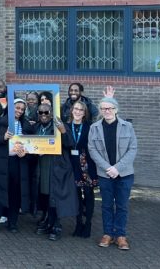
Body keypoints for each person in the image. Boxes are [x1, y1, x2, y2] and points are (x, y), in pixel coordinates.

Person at [89, 88, 137, 251]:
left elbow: (133, 148)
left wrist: (117, 168)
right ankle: (108, 234)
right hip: (105, 174)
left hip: (124, 174)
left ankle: (121, 235)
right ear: (101, 111)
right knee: (107, 205)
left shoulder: (127, 126)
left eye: (109, 108)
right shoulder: (94, 127)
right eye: (103, 108)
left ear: (116, 109)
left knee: (122, 205)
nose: (107, 111)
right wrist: (108, 168)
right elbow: (92, 150)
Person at [0, 98, 33, 233]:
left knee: (15, 194)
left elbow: (32, 145)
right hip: (1, 163)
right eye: (17, 108)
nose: (19, 111)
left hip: (18, 163)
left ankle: (13, 223)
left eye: (22, 109)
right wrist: (3, 137)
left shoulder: (26, 125)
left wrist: (26, 153)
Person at [34, 103, 77, 241]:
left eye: (46, 112)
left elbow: (70, 143)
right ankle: (48, 221)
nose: (44, 115)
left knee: (55, 196)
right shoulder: (37, 127)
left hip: (57, 166)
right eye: (41, 113)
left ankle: (56, 225)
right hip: (42, 166)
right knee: (46, 194)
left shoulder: (59, 125)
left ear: (52, 113)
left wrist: (63, 131)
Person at [67, 100, 97, 238]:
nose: (78, 112)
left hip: (87, 165)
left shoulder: (90, 127)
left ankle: (88, 224)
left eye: (81, 110)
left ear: (84, 113)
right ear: (72, 110)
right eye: (76, 109)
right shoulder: (66, 126)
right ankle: (78, 224)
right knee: (77, 196)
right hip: (72, 165)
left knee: (89, 195)